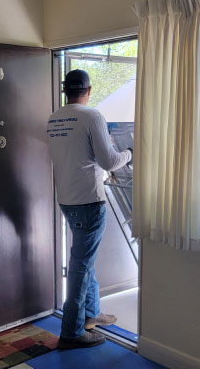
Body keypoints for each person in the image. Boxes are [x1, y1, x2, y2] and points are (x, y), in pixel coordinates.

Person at [47, 69, 132, 350]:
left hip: (68, 199)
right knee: (81, 266)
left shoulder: (54, 118)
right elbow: (109, 161)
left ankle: (91, 314)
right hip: (89, 201)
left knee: (85, 260)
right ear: (89, 90)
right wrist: (130, 153)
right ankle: (71, 332)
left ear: (64, 90)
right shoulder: (92, 116)